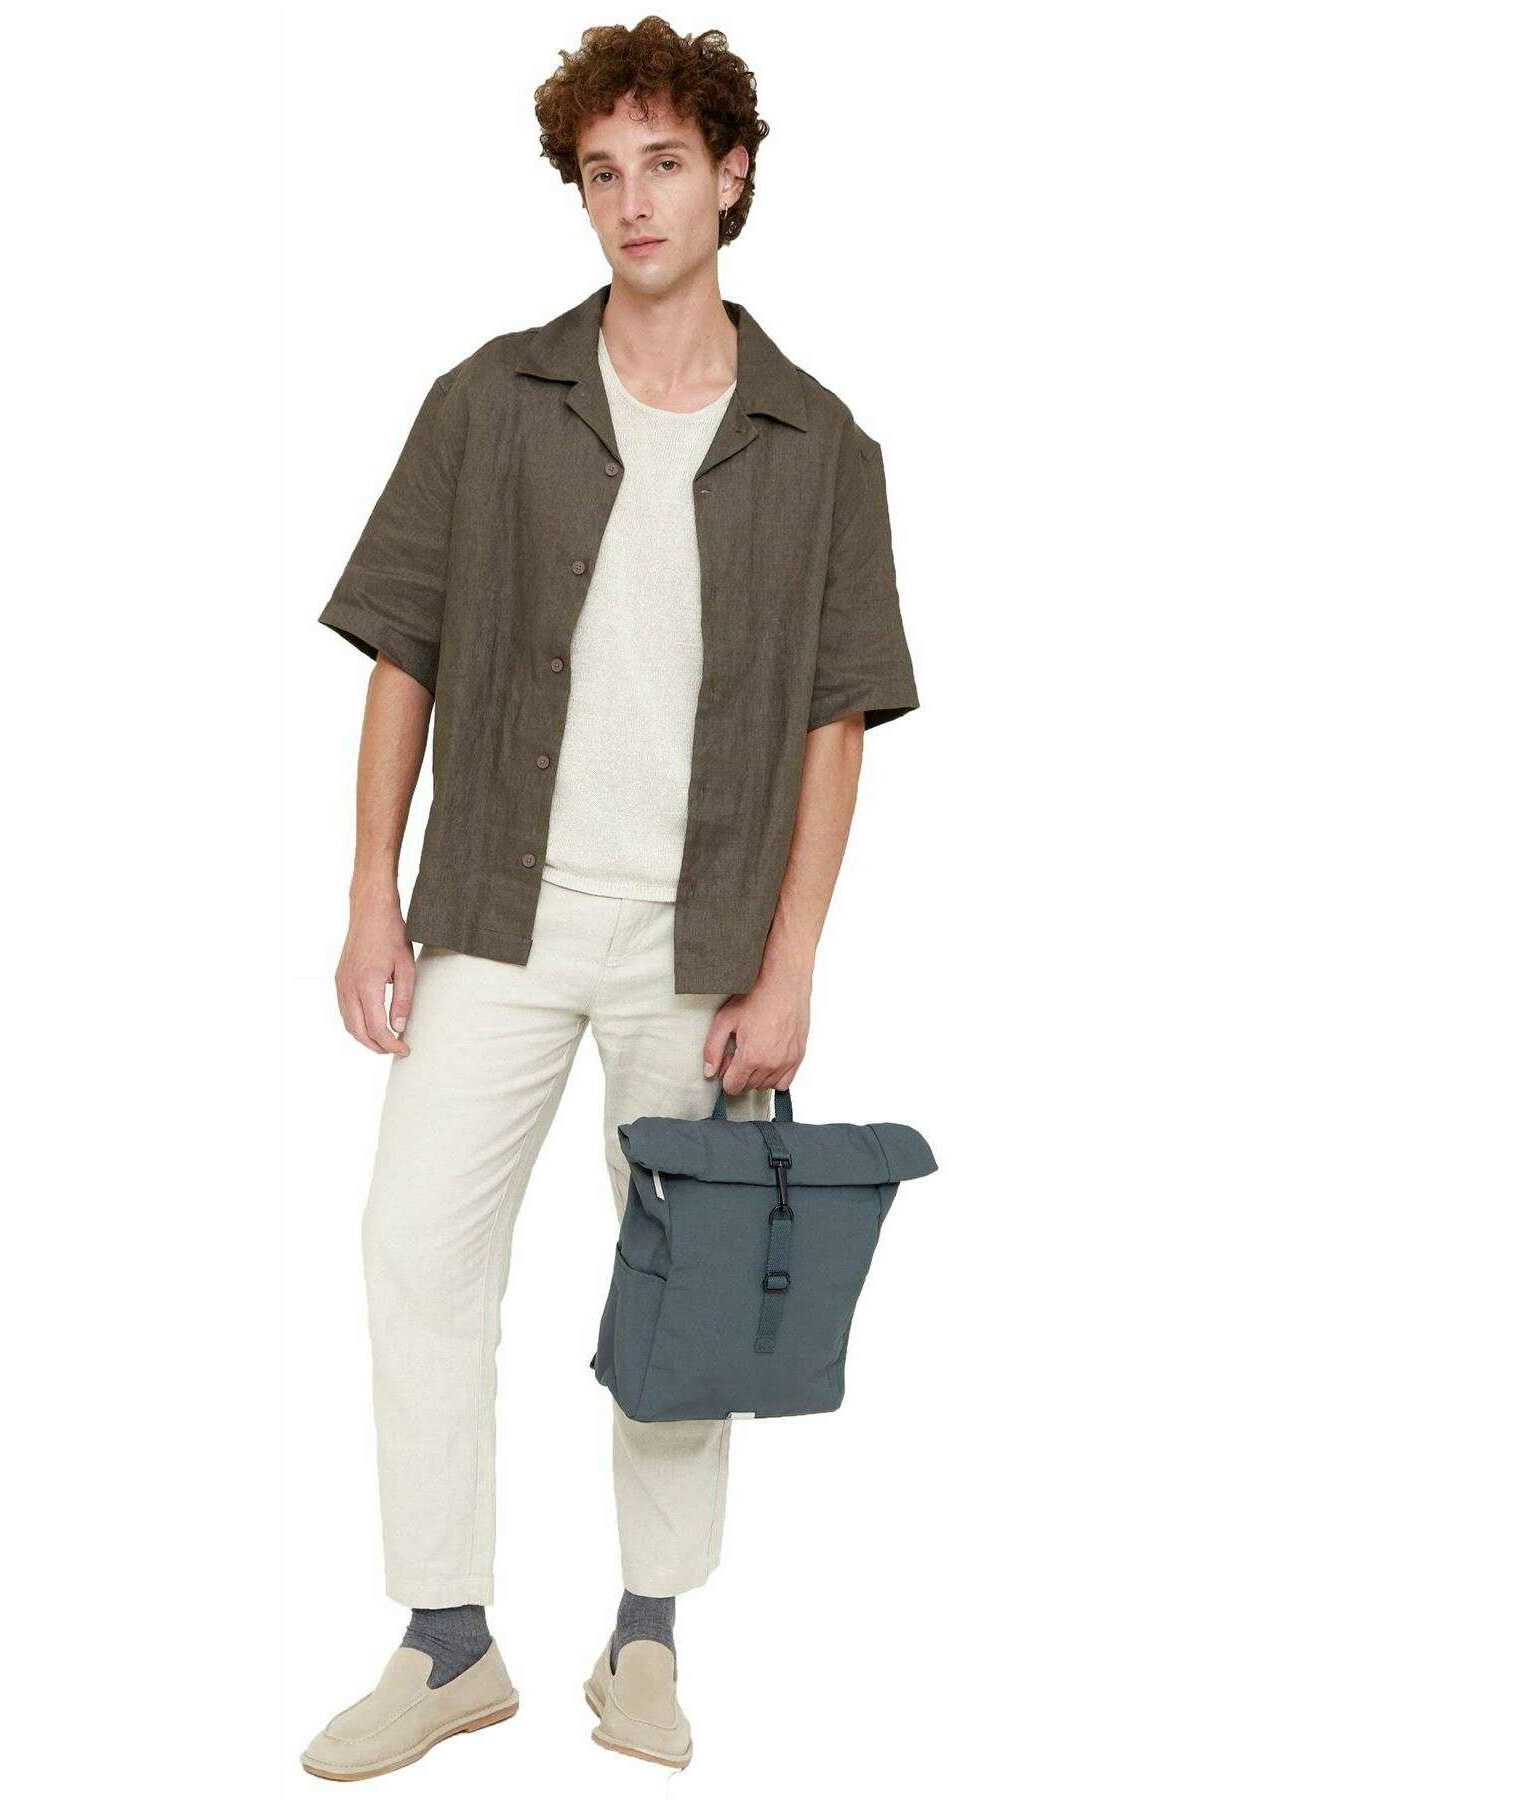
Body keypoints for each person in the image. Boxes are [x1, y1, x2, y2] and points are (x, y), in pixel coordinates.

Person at [300, 16, 919, 1781]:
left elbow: (837, 724)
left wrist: (791, 967)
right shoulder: (491, 401)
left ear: (732, 176)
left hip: (699, 943)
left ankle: (647, 1637)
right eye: (601, 172)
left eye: (664, 164)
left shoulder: (822, 445)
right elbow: (403, 653)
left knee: (685, 1293)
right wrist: (370, 896)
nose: (632, 201)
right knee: (416, 1245)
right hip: (497, 911)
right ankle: (447, 1642)